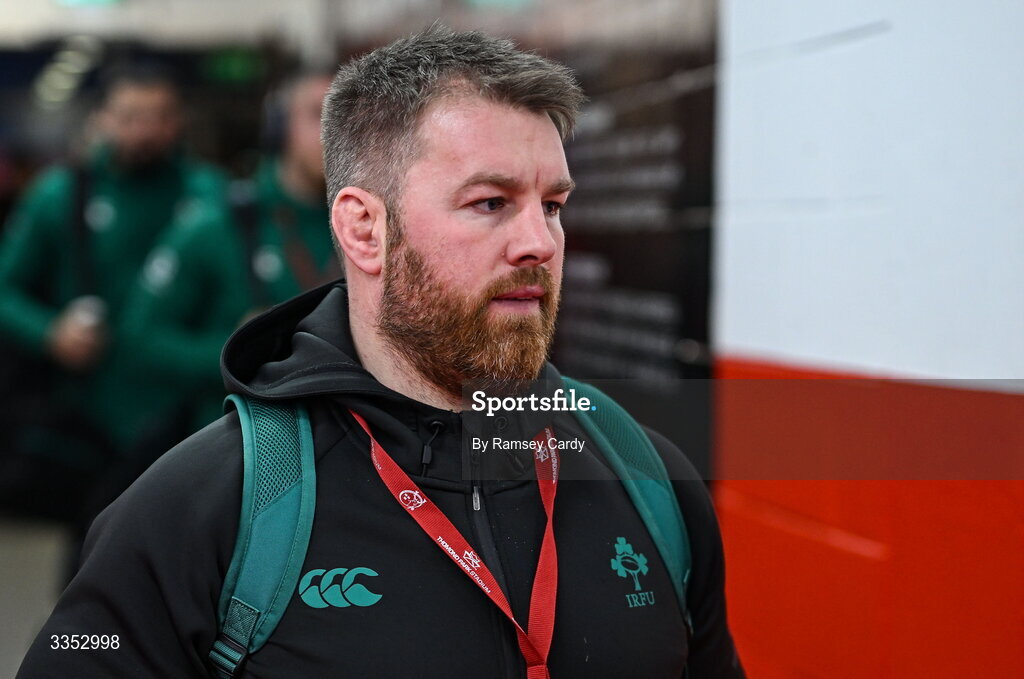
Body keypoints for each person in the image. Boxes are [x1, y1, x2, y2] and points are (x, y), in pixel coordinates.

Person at [16, 28, 744, 678]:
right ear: (365, 230)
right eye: (490, 202)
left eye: (551, 204)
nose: (540, 242)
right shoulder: (204, 509)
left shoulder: (648, 478)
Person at [0, 63, 224, 519]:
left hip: (188, 411)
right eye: (129, 116)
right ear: (102, 119)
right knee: (91, 557)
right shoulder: (60, 194)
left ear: (177, 121)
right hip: (90, 414)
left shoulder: (211, 197)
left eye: (158, 116)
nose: (144, 130)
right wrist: (50, 332)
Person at [118, 70, 336, 434]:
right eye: (317, 113)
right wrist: (237, 351)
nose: (335, 131)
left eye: (346, 116)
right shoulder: (218, 223)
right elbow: (139, 338)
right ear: (278, 127)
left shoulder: (373, 226)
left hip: (344, 443)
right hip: (241, 444)